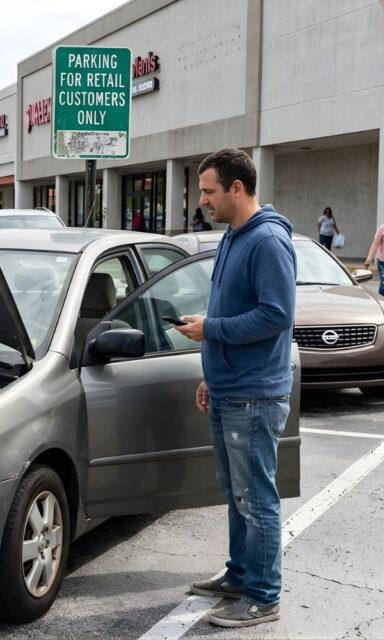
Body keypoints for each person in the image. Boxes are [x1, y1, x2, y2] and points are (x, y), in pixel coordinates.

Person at [175, 148, 296, 628]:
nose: (202, 199)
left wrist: (212, 332)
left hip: (255, 393)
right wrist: (212, 372)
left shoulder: (266, 241)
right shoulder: (232, 236)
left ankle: (264, 597)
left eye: (208, 190)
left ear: (236, 189)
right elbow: (230, 309)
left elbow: (276, 314)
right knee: (236, 492)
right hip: (230, 386)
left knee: (256, 497)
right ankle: (240, 575)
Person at [363, 223, 384, 296]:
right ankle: (381, 302)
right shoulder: (382, 228)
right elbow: (375, 244)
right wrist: (369, 259)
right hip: (383, 262)